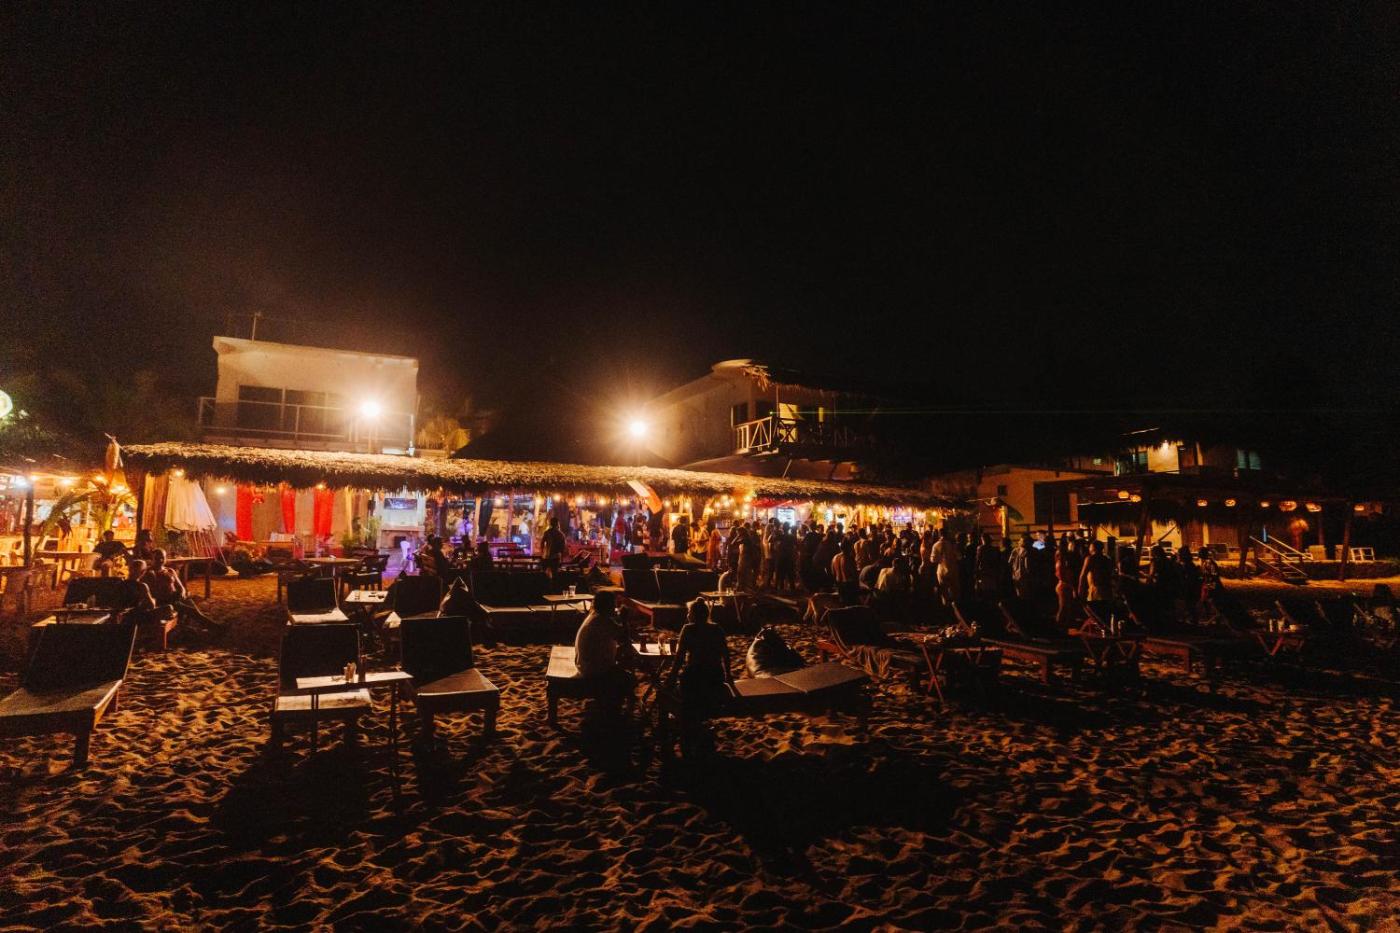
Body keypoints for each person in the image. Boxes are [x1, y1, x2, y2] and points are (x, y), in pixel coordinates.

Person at [665, 598, 735, 757]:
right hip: (714, 676)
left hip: (695, 676)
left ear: (693, 614)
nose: (687, 615)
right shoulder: (717, 629)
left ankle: (686, 732)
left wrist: (671, 677)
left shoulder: (688, 629)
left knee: (682, 695)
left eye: (689, 612)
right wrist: (728, 675)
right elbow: (725, 654)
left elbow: (679, 658)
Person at [572, 587, 637, 716]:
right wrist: (624, 619)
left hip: (584, 664)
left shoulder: (594, 616)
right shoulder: (603, 620)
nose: (615, 607)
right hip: (594, 670)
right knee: (630, 679)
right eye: (613, 604)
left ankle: (612, 705)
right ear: (607, 606)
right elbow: (624, 638)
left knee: (624, 663)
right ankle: (616, 711)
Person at [143, 549, 226, 635]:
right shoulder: (149, 573)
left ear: (165, 558)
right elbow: (152, 592)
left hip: (176, 597)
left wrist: (182, 592)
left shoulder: (170, 570)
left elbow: (181, 586)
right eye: (157, 558)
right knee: (192, 611)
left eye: (162, 558)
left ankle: (195, 628)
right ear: (152, 559)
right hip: (165, 601)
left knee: (193, 608)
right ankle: (217, 628)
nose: (160, 560)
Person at [1078, 540, 1115, 622]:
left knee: (1097, 616)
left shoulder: (1090, 559)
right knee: (1105, 617)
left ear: (1093, 548)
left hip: (1096, 592)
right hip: (1107, 592)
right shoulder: (1107, 559)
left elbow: (1083, 575)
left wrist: (1080, 591)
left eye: (1090, 546)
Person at [1009, 533, 1034, 599]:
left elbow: (1009, 562)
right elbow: (1027, 566)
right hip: (1025, 576)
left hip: (1015, 575)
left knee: (1019, 594)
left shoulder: (1014, 550)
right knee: (1026, 595)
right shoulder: (1027, 551)